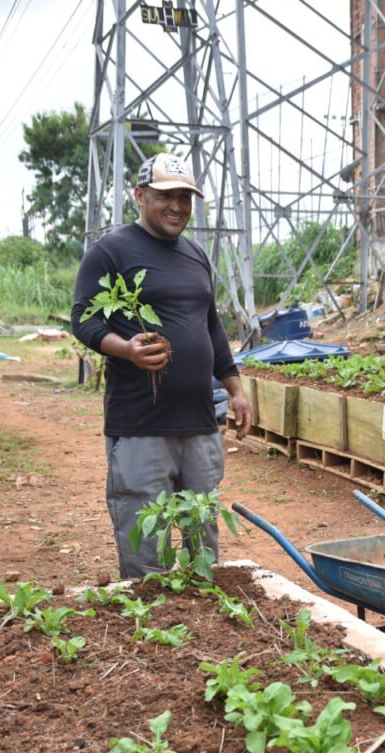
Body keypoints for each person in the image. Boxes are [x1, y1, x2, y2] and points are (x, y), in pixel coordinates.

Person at [71, 152, 252, 579]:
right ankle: (151, 635)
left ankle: (203, 636)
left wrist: (237, 390)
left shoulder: (195, 255)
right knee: (146, 545)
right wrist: (126, 348)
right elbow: (84, 318)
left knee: (201, 541)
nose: (177, 205)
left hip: (200, 423)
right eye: (165, 195)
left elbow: (211, 329)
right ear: (139, 195)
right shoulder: (110, 251)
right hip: (140, 425)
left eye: (185, 197)